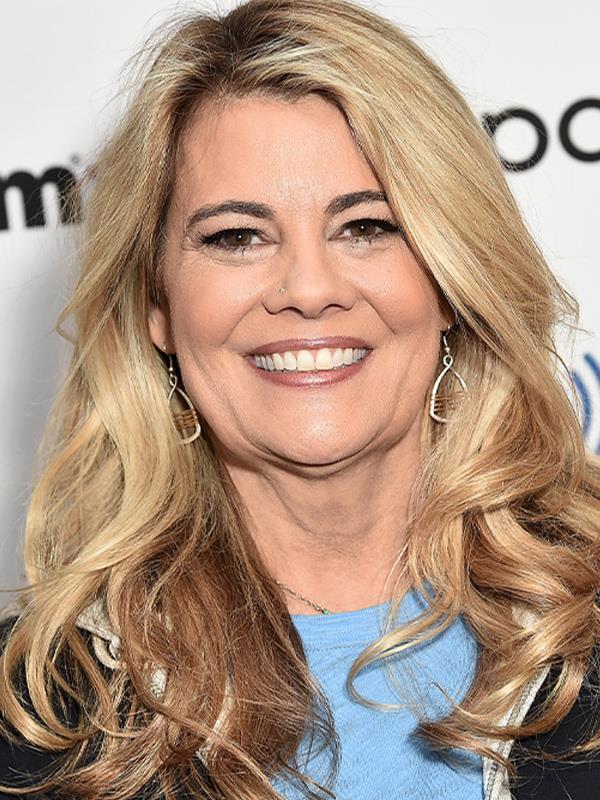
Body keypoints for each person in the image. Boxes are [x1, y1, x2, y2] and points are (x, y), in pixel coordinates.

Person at [1, 0, 599, 798]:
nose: (309, 290)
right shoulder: (36, 712)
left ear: (453, 280)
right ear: (157, 306)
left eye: (366, 227)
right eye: (236, 237)